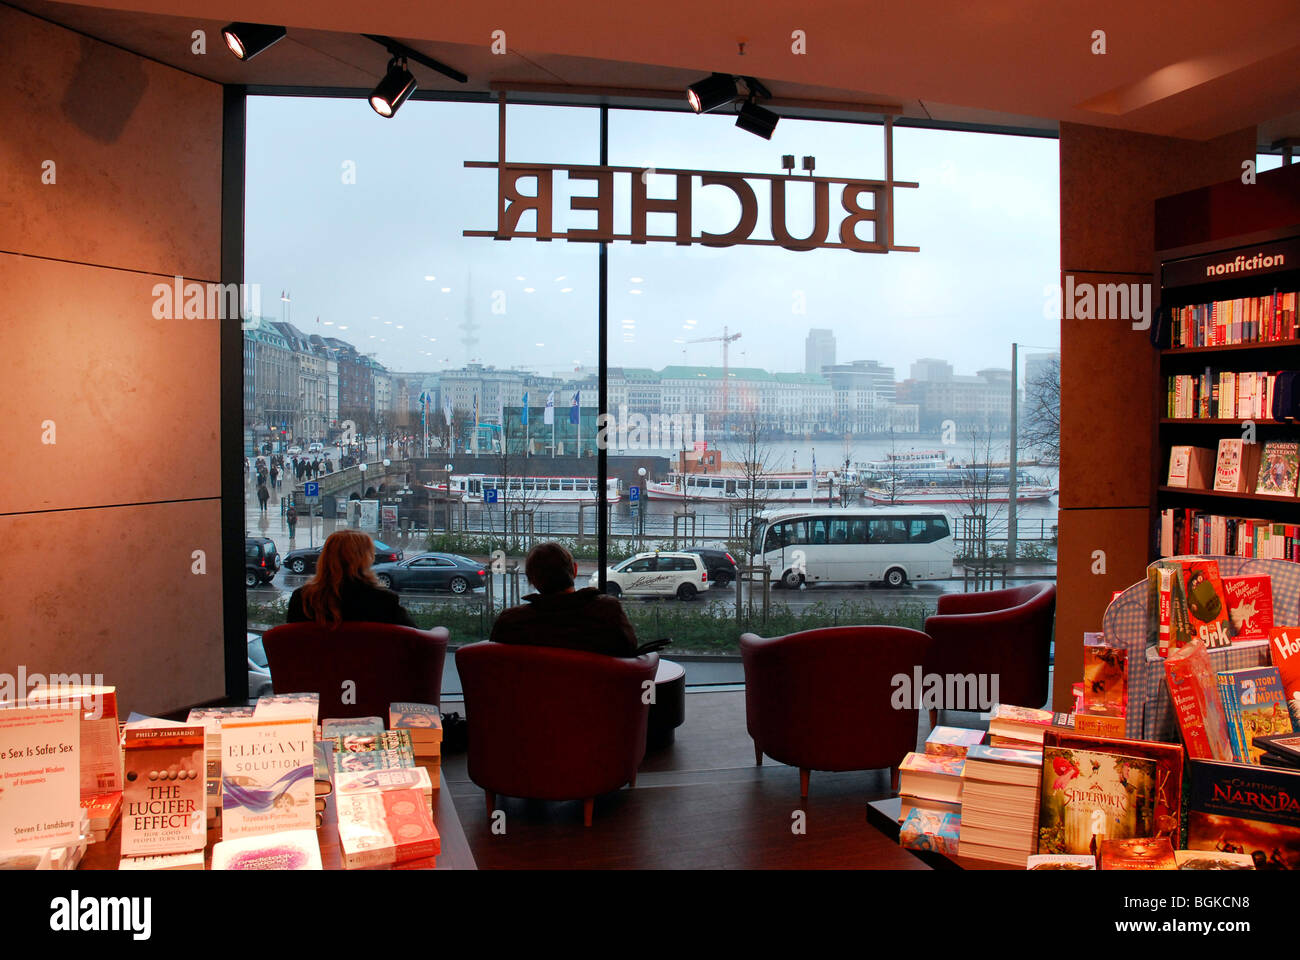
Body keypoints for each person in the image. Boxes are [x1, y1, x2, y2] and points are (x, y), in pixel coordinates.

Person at [490, 542, 638, 656]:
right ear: (575, 570)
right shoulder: (607, 611)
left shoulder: (510, 622)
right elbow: (630, 652)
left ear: (531, 580)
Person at [286, 529, 415, 627]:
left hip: (318, 662)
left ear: (325, 558)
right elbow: (414, 636)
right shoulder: (384, 600)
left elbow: (291, 640)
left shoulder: (302, 598)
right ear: (365, 559)